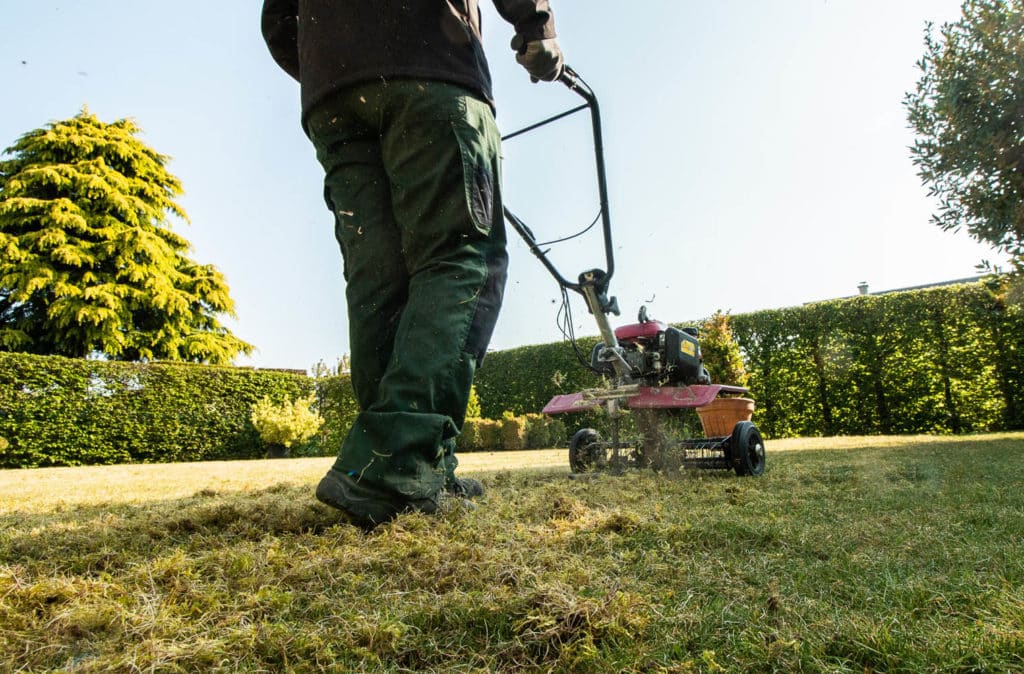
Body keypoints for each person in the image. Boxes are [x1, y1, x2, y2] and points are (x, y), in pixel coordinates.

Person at [261, 1, 564, 528]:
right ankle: (395, 466)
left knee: (378, 279)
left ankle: (413, 465)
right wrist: (537, 29)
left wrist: (337, 58)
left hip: (334, 95)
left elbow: (277, 20)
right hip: (429, 64)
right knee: (461, 259)